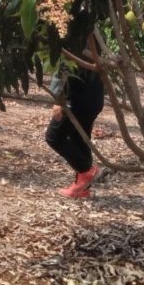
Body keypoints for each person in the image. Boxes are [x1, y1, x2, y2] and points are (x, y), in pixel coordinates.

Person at [45, 65, 105, 198]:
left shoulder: (75, 44)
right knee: (79, 136)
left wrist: (59, 98)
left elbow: (65, 66)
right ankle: (82, 188)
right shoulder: (93, 44)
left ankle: (86, 170)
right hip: (94, 96)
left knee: (54, 137)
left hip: (77, 99)